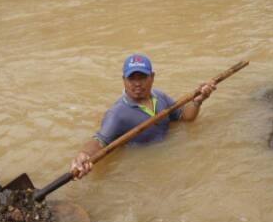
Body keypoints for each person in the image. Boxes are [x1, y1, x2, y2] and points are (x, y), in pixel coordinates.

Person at [70, 54, 216, 179]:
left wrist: (198, 101)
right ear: (124, 80)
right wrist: (84, 155)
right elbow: (99, 140)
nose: (137, 84)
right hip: (140, 170)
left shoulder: (160, 97)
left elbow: (185, 117)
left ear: (152, 77)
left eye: (142, 77)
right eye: (132, 79)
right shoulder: (117, 113)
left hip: (168, 162)